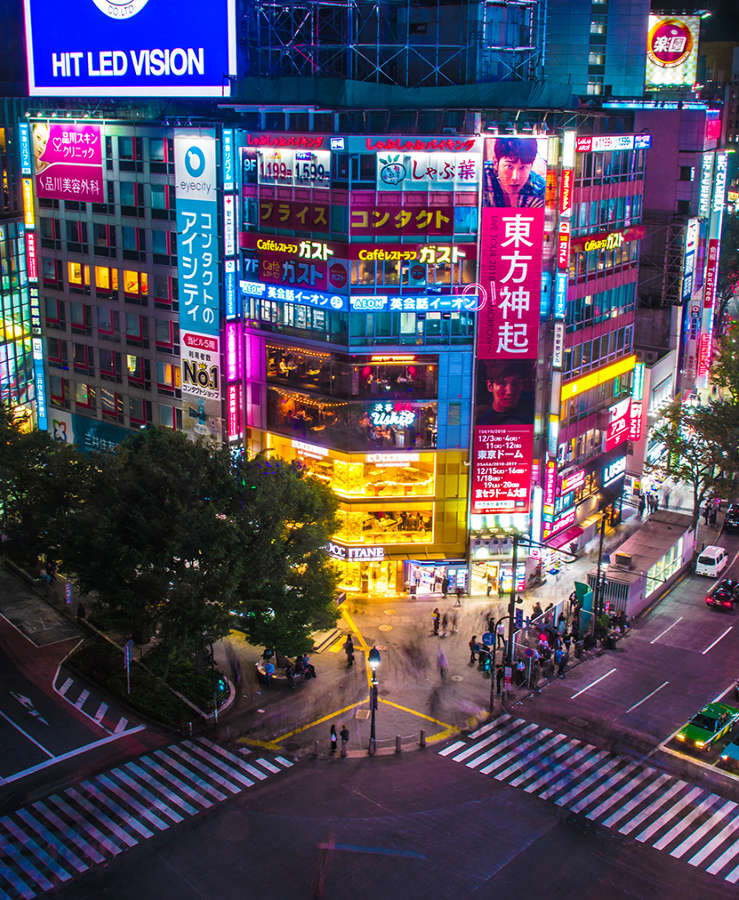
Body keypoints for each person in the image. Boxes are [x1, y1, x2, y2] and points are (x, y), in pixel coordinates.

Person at [483, 136, 545, 208]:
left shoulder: (539, 189)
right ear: (496, 162)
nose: (515, 177)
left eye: (523, 167)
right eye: (509, 166)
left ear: (531, 166)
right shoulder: (481, 175)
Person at [476, 360, 535, 427]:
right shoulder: (483, 423)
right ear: (490, 386)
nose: (509, 391)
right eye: (502, 383)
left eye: (515, 384)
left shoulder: (530, 417)